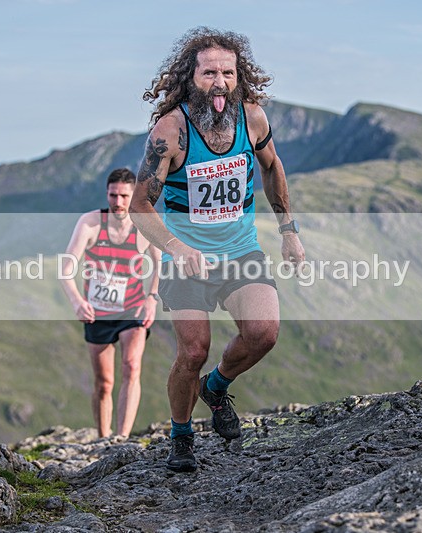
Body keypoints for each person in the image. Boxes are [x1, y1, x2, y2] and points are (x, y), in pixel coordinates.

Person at [129, 27, 305, 472]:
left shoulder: (253, 119)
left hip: (240, 251)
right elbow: (139, 206)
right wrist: (177, 247)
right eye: (210, 73)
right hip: (184, 258)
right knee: (192, 351)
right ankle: (182, 434)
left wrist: (288, 229)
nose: (220, 82)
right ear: (192, 77)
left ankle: (217, 386)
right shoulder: (170, 131)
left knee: (263, 333)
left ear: (238, 76)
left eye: (228, 72)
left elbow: (272, 167)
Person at [60, 168, 161, 438]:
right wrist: (77, 301)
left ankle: (122, 438)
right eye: (113, 195)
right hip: (98, 312)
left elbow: (161, 264)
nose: (118, 202)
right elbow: (66, 268)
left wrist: (152, 298)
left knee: (132, 366)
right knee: (104, 383)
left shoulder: (145, 224)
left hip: (133, 308)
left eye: (124, 196)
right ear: (107, 193)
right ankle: (103, 439)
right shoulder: (91, 223)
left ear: (133, 196)